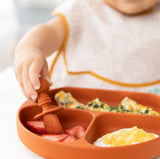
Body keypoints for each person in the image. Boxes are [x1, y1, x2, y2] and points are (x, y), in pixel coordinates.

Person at [14, 0, 160, 103]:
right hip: (75, 114)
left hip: (149, 124)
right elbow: (51, 31)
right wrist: (30, 49)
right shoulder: (82, 9)